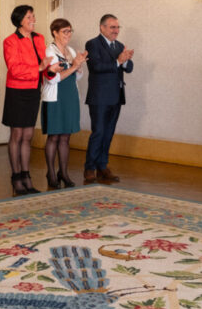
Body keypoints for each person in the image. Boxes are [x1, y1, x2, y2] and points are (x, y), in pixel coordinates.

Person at [2, 4, 54, 196]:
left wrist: (50, 69)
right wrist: (40, 68)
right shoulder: (10, 41)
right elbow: (14, 69)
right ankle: (16, 177)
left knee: (28, 136)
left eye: (33, 16)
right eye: (29, 17)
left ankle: (26, 176)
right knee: (17, 135)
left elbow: (44, 63)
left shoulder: (39, 38)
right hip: (17, 92)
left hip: (33, 90)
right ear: (19, 21)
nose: (33, 19)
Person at [84, 14, 135, 184]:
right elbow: (96, 67)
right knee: (98, 132)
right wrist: (118, 61)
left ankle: (102, 166)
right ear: (102, 28)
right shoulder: (92, 44)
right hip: (99, 97)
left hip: (116, 96)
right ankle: (89, 168)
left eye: (118, 27)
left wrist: (126, 60)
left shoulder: (119, 45)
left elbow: (128, 68)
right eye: (112, 27)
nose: (116, 31)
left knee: (109, 133)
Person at [42, 18, 88, 189]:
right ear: (55, 32)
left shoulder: (69, 50)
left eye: (70, 31)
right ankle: (51, 173)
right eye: (65, 31)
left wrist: (79, 66)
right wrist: (74, 66)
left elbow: (77, 77)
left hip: (69, 96)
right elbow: (53, 79)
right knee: (54, 136)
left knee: (65, 137)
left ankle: (64, 172)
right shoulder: (49, 50)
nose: (68, 35)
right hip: (55, 97)